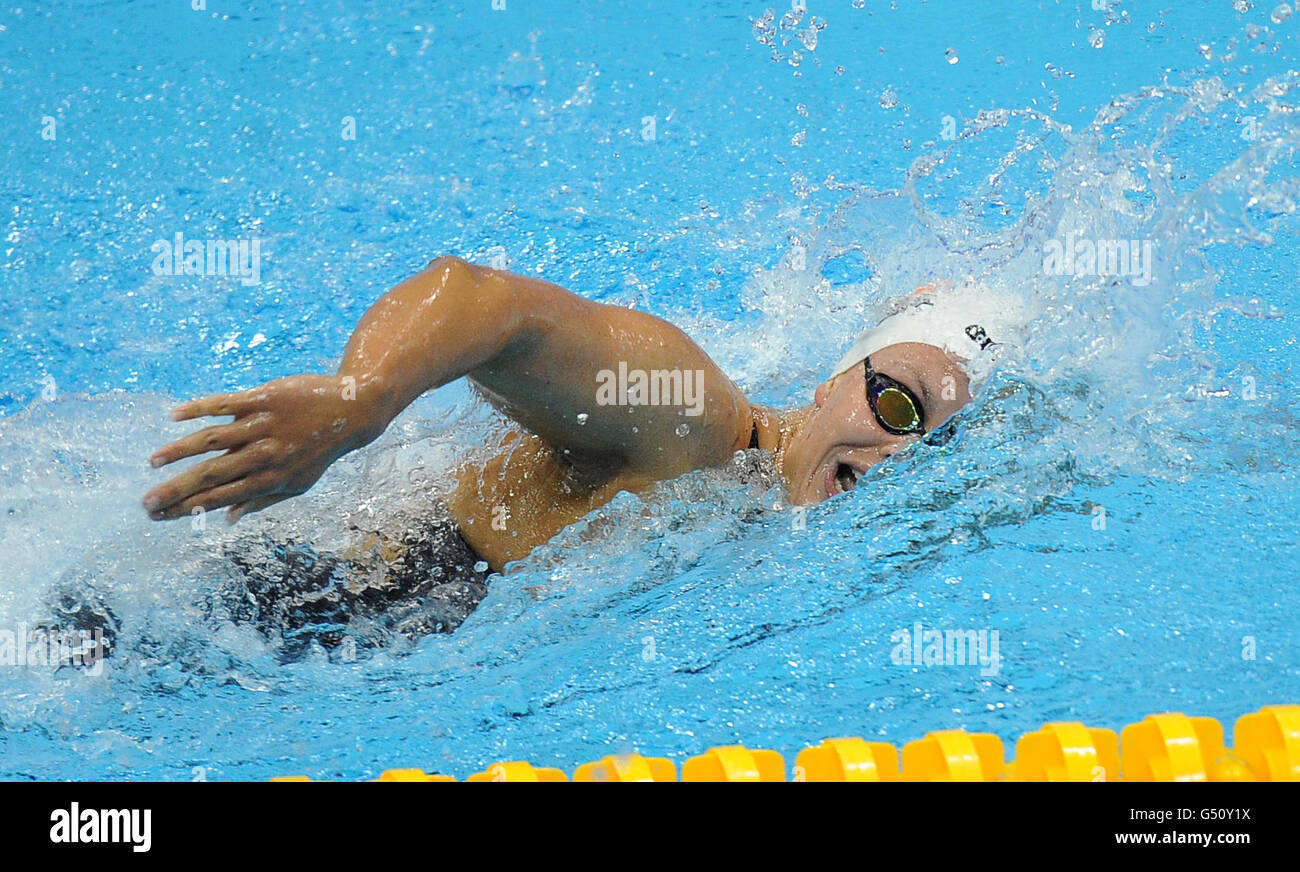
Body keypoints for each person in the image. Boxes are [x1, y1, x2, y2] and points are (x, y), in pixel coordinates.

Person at [141, 257, 1019, 644]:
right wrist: (360, 399)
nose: (898, 453)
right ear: (834, 381)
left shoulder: (764, 504)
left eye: (936, 444)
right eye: (900, 403)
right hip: (285, 604)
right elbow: (481, 301)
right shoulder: (696, 418)